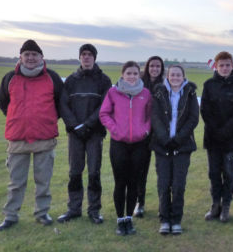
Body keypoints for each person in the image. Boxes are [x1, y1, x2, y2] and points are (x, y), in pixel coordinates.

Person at [0, 39, 63, 231]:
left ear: (42, 57)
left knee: (43, 181)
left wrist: (47, 119)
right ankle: (11, 216)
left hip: (44, 137)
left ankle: (42, 213)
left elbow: (60, 103)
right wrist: (18, 119)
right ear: (21, 57)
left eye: (35, 54)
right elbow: (3, 102)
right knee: (16, 182)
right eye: (27, 54)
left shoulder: (52, 77)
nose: (31, 58)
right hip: (18, 138)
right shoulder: (10, 78)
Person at [58, 44, 112, 225]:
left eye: (90, 54)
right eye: (83, 54)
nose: (86, 57)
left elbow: (104, 105)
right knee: (75, 172)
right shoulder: (71, 80)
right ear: (80, 57)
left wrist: (88, 125)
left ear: (94, 58)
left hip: (94, 133)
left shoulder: (103, 80)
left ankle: (94, 210)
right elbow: (63, 105)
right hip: (75, 134)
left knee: (94, 172)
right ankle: (74, 209)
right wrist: (75, 126)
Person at [100, 61, 152, 236]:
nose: (132, 76)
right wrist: (115, 129)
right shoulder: (113, 92)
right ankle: (120, 219)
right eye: (128, 73)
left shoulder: (145, 93)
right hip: (119, 144)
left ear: (139, 75)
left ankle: (129, 218)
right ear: (122, 74)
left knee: (134, 183)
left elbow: (150, 116)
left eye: (135, 73)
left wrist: (145, 130)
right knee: (120, 182)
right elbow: (104, 113)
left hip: (139, 145)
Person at [150, 65, 199, 235]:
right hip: (162, 146)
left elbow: (193, 118)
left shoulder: (190, 93)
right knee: (163, 184)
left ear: (183, 77)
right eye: (172, 75)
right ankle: (164, 219)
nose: (175, 77)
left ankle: (176, 220)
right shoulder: (158, 93)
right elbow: (155, 117)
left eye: (178, 75)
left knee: (178, 185)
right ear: (167, 76)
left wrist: (178, 139)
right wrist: (164, 139)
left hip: (182, 146)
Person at [200, 51, 233, 222]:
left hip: (230, 138)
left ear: (232, 66)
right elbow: (205, 110)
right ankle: (215, 205)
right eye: (221, 65)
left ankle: (226, 206)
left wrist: (226, 130)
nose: (225, 68)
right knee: (213, 173)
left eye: (228, 65)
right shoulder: (208, 85)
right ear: (216, 66)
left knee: (228, 173)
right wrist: (216, 130)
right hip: (212, 138)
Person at [133, 55, 165, 218]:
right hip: (142, 133)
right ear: (147, 67)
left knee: (163, 171)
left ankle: (163, 204)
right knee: (141, 170)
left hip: (160, 133)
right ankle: (140, 202)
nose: (154, 69)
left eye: (158, 66)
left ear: (162, 68)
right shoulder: (139, 83)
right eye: (152, 66)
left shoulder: (166, 84)